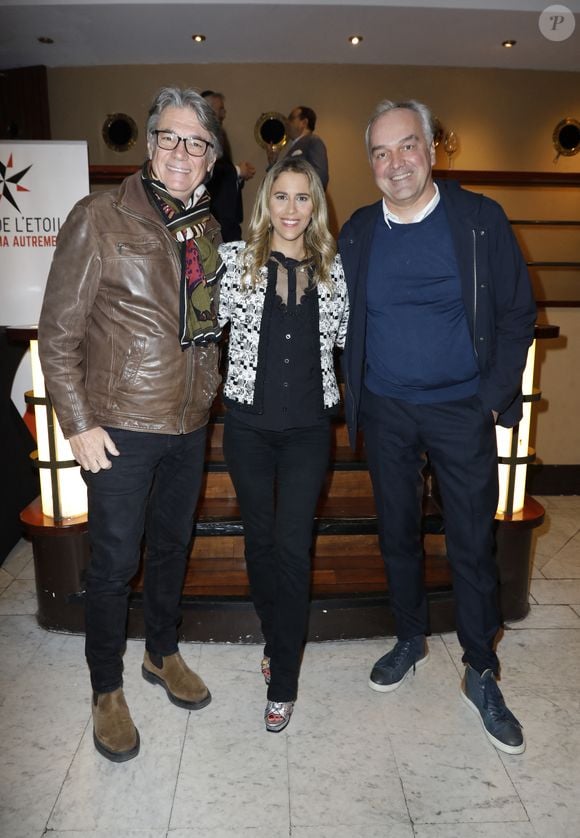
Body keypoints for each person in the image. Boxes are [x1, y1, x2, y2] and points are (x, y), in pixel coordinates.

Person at [338, 99, 536, 755]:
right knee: (396, 533)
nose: (395, 163)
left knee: (472, 545)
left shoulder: (479, 221)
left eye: (407, 147)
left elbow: (516, 315)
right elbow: (335, 315)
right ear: (370, 163)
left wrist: (488, 399)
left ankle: (481, 669)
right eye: (380, 152)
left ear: (432, 149)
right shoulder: (359, 231)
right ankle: (409, 637)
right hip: (387, 409)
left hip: (461, 410)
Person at [38, 86, 224, 762]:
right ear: (149, 146)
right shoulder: (100, 215)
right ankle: (106, 688)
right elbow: (56, 332)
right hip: (119, 425)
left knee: (173, 549)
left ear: (209, 159)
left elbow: (203, 328)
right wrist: (78, 423)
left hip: (189, 423)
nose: (182, 151)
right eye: (170, 138)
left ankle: (162, 652)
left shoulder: (205, 226)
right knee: (115, 564)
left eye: (196, 142)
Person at [218, 157, 348, 732]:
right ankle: (276, 636)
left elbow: (343, 339)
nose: (291, 210)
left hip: (307, 433)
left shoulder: (333, 269)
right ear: (265, 202)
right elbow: (196, 329)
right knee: (260, 544)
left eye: (303, 199)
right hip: (246, 427)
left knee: (294, 549)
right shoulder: (233, 261)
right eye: (281, 197)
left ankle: (285, 677)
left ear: (314, 207)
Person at [202, 90, 255, 241]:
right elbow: (207, 168)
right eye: (221, 109)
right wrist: (238, 171)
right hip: (215, 219)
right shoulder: (202, 135)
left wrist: (238, 177)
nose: (224, 114)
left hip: (226, 219)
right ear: (209, 109)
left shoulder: (217, 133)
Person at [267, 106, 329, 190]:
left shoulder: (313, 141)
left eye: (291, 118)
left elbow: (321, 179)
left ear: (304, 122)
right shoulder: (294, 146)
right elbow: (278, 182)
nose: (287, 122)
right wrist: (273, 164)